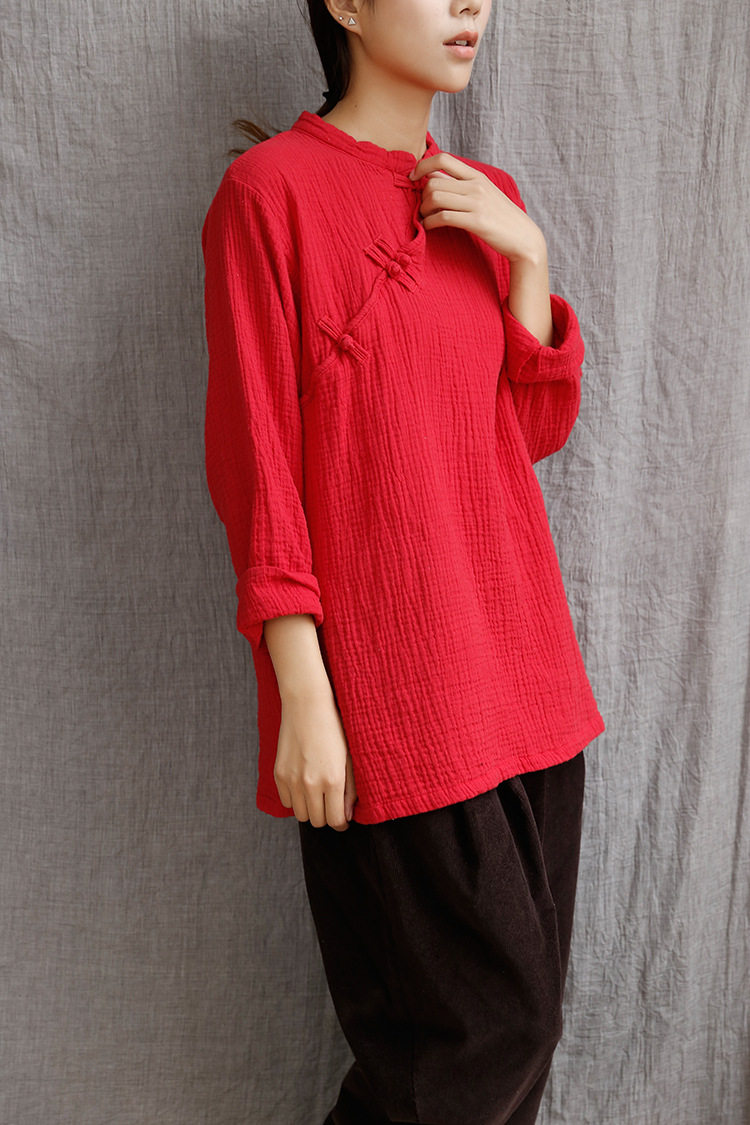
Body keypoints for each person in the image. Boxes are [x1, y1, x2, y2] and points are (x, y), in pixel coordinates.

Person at [201, 0, 605, 1121]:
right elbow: (257, 463)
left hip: (525, 677)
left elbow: (517, 443)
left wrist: (526, 258)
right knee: (477, 1043)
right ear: (345, 2)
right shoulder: (269, 194)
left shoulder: (485, 199)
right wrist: (302, 693)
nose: (471, 4)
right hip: (395, 687)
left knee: (504, 1053)